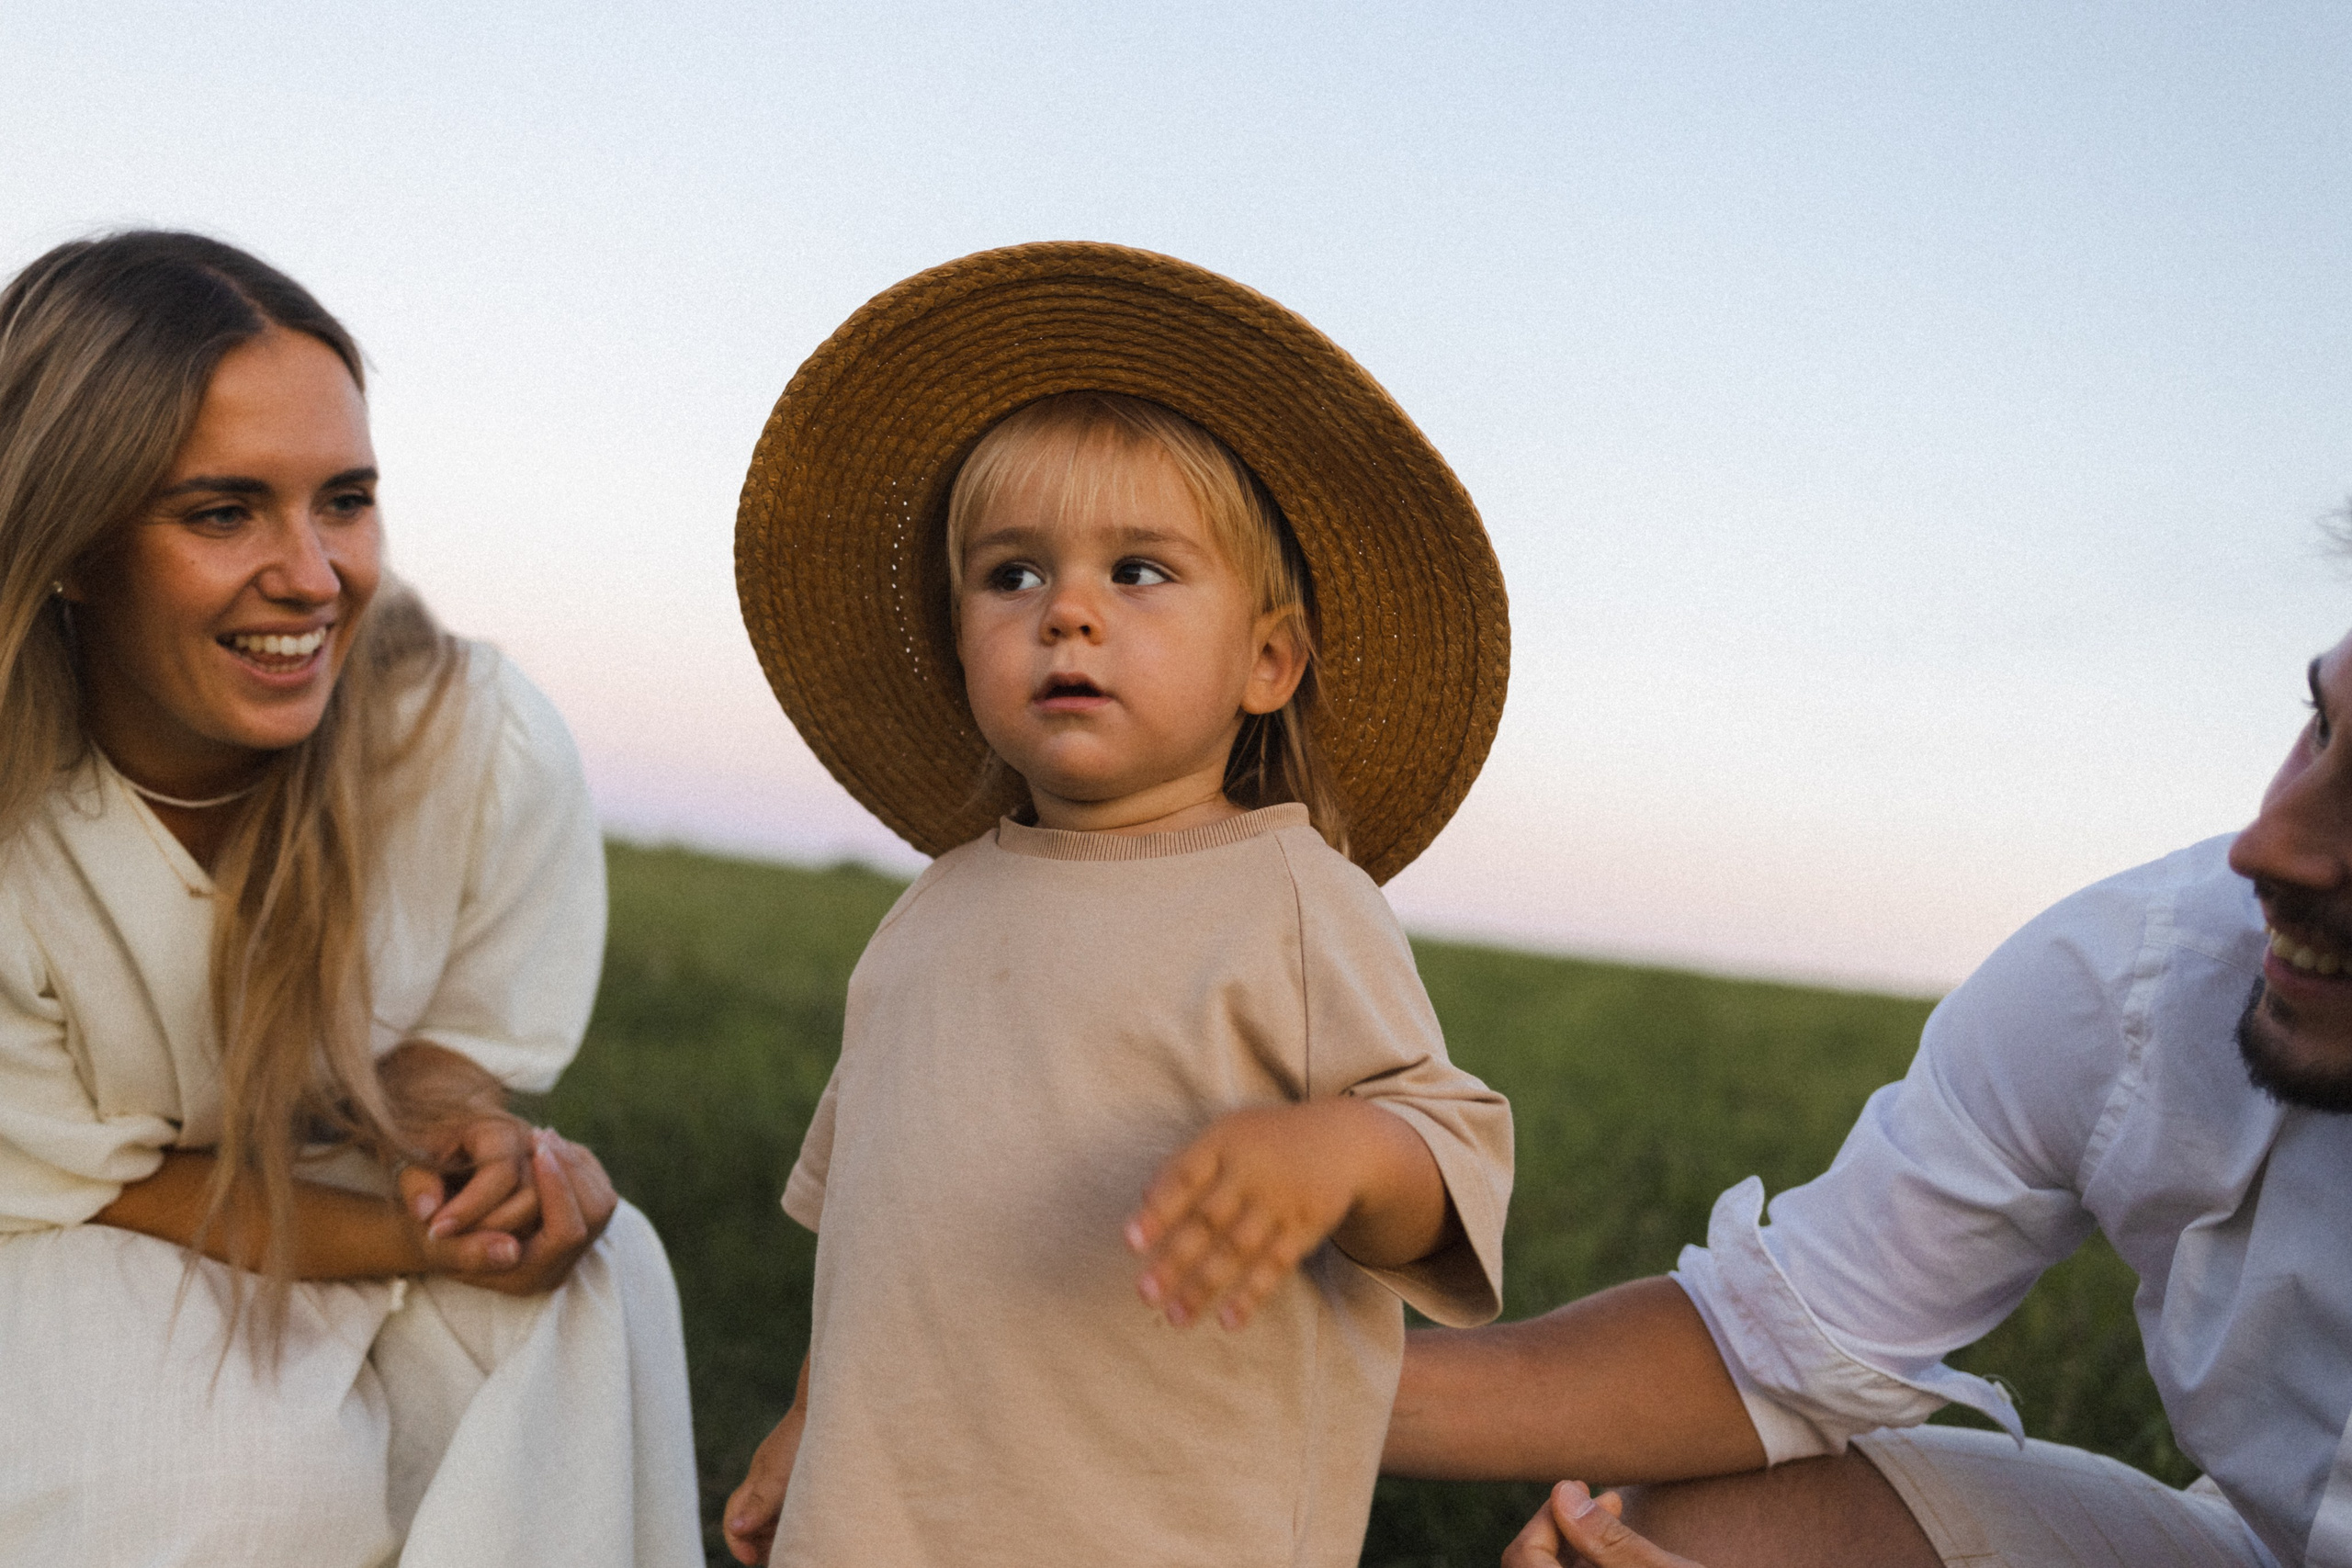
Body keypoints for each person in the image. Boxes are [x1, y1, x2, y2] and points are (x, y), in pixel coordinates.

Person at [719, 243, 1516, 1565]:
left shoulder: (1289, 897)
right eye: (1013, 573)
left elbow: (1454, 1154)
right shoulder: (934, 908)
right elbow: (874, 1234)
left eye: (1138, 572)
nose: (1068, 613)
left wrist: (1332, 1154)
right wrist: (814, 1418)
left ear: (1269, 657)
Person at [0, 231, 700, 1565]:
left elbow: (439, 1069)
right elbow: (95, 1184)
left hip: (322, 1179)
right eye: (223, 510)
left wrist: (477, 1171)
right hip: (49, 1224)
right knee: (235, 1485)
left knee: (597, 1280)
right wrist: (408, 1236)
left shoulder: (470, 744)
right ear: (76, 543)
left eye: (344, 497)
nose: (315, 576)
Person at [1383, 623, 2352, 1567]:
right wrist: (1281, 1387)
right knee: (1711, 1532)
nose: (2270, 847)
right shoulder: (2150, 975)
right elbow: (1773, 1354)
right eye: (2320, 726)